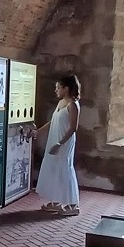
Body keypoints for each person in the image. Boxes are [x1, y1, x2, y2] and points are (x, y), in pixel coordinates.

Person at [32, 75, 81, 216]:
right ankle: (56, 201)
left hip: (64, 142)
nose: (56, 90)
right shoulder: (61, 103)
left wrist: (60, 143)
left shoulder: (73, 105)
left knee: (65, 169)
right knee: (54, 168)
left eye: (58, 87)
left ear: (66, 88)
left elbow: (73, 128)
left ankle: (73, 205)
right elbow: (53, 122)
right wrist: (38, 132)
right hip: (55, 139)